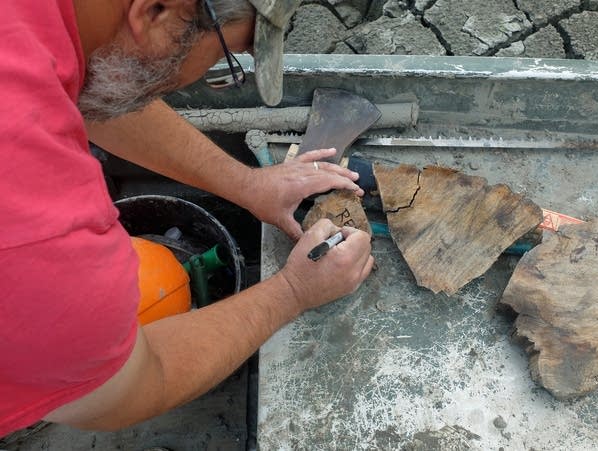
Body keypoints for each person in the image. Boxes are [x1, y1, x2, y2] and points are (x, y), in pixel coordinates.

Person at [0, 0, 374, 436]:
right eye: (223, 62)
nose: (210, 76)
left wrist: (249, 184)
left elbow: (95, 86)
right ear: (156, 11)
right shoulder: (38, 233)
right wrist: (292, 291)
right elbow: (124, 389)